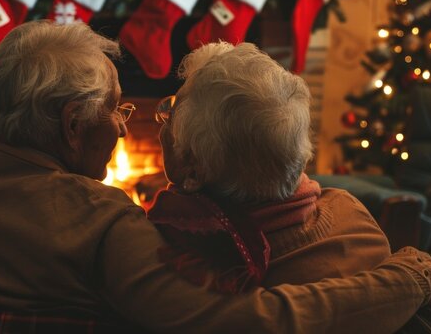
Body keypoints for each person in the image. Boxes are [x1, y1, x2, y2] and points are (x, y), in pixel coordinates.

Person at [0, 21, 431, 333]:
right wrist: (406, 277)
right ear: (73, 125)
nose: (127, 126)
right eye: (118, 108)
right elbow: (253, 322)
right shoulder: (106, 219)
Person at [147, 42, 391, 293]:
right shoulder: (355, 220)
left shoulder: (181, 258)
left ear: (193, 170)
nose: (163, 125)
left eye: (171, 113)